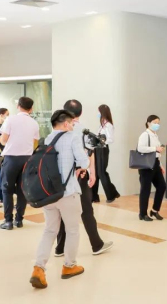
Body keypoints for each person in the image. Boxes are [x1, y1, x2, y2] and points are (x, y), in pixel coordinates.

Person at [30, 110, 87, 289]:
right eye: (72, 123)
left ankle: (38, 269)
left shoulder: (46, 139)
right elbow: (83, 162)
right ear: (66, 124)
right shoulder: (72, 137)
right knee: (72, 230)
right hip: (68, 192)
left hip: (49, 194)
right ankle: (69, 266)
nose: (73, 126)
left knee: (49, 230)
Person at [55, 100, 110, 256]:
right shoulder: (83, 130)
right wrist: (92, 173)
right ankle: (97, 245)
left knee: (62, 209)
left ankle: (59, 248)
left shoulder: (57, 129)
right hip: (80, 174)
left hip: (60, 176)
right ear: (81, 112)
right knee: (86, 209)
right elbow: (90, 152)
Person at [0, 97, 40, 230]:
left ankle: (8, 221)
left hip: (11, 159)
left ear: (18, 106)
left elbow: (3, 140)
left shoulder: (10, 119)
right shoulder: (34, 123)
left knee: (7, 190)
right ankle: (19, 220)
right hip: (27, 159)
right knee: (23, 190)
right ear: (31, 109)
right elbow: (35, 142)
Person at [137, 115, 167, 221]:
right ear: (148, 123)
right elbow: (140, 148)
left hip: (155, 164)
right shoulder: (145, 135)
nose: (157, 125)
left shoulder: (155, 135)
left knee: (162, 186)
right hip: (146, 165)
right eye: (155, 122)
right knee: (145, 189)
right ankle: (142, 213)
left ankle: (154, 210)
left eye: (158, 123)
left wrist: (160, 165)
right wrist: (155, 148)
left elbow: (157, 153)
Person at [91, 104, 120, 203]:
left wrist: (102, 141)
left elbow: (111, 139)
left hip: (103, 149)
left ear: (102, 112)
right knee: (95, 172)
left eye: (99, 112)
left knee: (101, 172)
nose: (98, 114)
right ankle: (94, 197)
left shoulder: (108, 125)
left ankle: (111, 194)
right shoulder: (101, 125)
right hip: (97, 149)